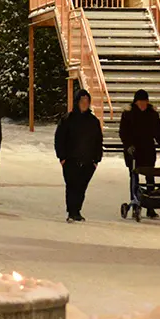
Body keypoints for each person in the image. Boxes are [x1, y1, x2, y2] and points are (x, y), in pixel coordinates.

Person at [54, 89, 104, 223]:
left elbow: (98, 141)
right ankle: (71, 211)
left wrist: (96, 159)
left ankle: (77, 210)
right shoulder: (67, 119)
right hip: (71, 159)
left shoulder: (93, 121)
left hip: (88, 160)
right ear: (77, 102)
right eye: (82, 101)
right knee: (72, 185)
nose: (85, 103)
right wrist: (62, 157)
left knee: (82, 186)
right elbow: (59, 139)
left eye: (87, 101)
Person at [118, 89, 160, 220]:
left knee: (150, 177)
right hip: (133, 151)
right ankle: (135, 203)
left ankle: (150, 206)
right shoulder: (128, 114)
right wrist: (128, 145)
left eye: (145, 102)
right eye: (141, 102)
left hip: (148, 150)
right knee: (134, 177)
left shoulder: (152, 114)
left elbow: (159, 132)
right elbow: (123, 132)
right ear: (136, 102)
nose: (143, 104)